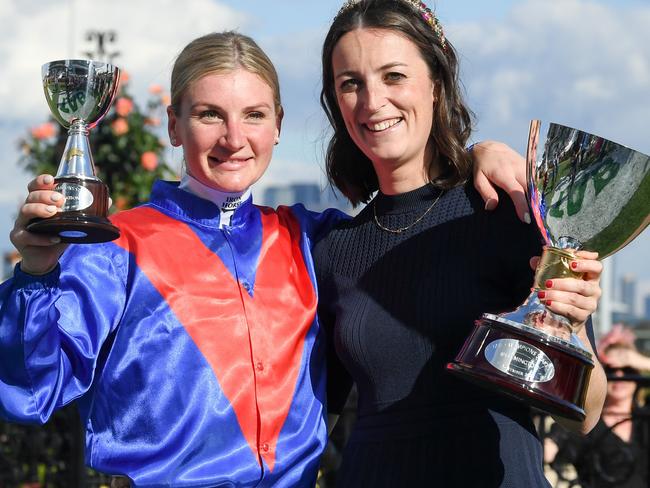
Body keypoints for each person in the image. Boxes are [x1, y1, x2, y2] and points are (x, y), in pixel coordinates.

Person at [0, 30, 538, 487]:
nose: (234, 139)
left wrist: (476, 156)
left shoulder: (312, 240)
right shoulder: (115, 246)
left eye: (253, 115)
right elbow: (30, 394)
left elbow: (407, 221)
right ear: (172, 125)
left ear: (277, 124)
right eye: (210, 114)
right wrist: (37, 273)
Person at [314, 1, 607, 486]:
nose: (372, 101)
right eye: (351, 84)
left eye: (393, 76)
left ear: (436, 84)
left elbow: (585, 414)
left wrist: (573, 331)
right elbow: (309, 414)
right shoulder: (332, 250)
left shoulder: (505, 212)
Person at [545, 324, 649, 487]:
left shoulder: (644, 418)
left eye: (628, 369)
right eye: (611, 370)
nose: (620, 375)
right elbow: (548, 453)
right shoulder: (587, 423)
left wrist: (640, 361)